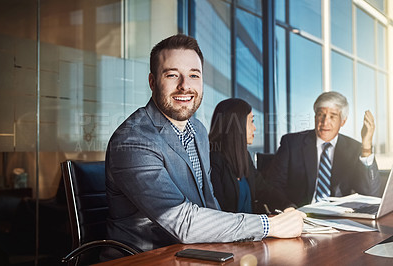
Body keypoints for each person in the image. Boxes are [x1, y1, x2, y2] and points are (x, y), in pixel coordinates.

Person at [104, 34, 305, 255]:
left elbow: (209, 204)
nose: (185, 86)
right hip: (147, 257)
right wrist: (268, 225)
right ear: (152, 82)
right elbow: (181, 222)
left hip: (195, 252)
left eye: (193, 75)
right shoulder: (133, 140)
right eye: (172, 75)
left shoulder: (197, 130)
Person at [266, 91, 381, 209]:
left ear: (343, 121)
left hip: (338, 217)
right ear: (315, 117)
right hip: (300, 214)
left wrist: (366, 146)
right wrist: (289, 208)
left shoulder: (354, 149)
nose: (325, 122)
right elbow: (274, 186)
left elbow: (371, 194)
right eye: (321, 115)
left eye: (332, 116)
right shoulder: (292, 143)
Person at [208, 98, 283, 214]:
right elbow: (220, 213)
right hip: (235, 230)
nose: (255, 128)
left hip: (253, 229)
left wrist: (288, 206)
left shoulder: (244, 156)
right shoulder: (212, 159)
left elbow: (264, 190)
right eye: (251, 121)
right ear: (236, 124)